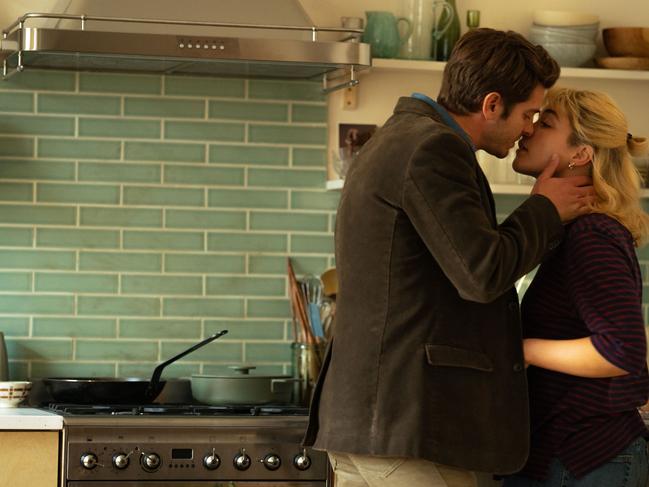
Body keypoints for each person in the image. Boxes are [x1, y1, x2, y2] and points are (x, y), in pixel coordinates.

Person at [303, 28, 595, 487]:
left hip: (371, 425)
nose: (529, 128)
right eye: (528, 114)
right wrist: (545, 207)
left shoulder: (399, 136)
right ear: (492, 104)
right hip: (408, 428)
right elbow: (481, 273)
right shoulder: (433, 148)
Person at [502, 88, 649, 487]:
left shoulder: (592, 235)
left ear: (581, 154)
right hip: (571, 458)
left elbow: (621, 349)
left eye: (545, 123)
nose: (527, 130)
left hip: (585, 460)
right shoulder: (572, 232)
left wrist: (522, 350)